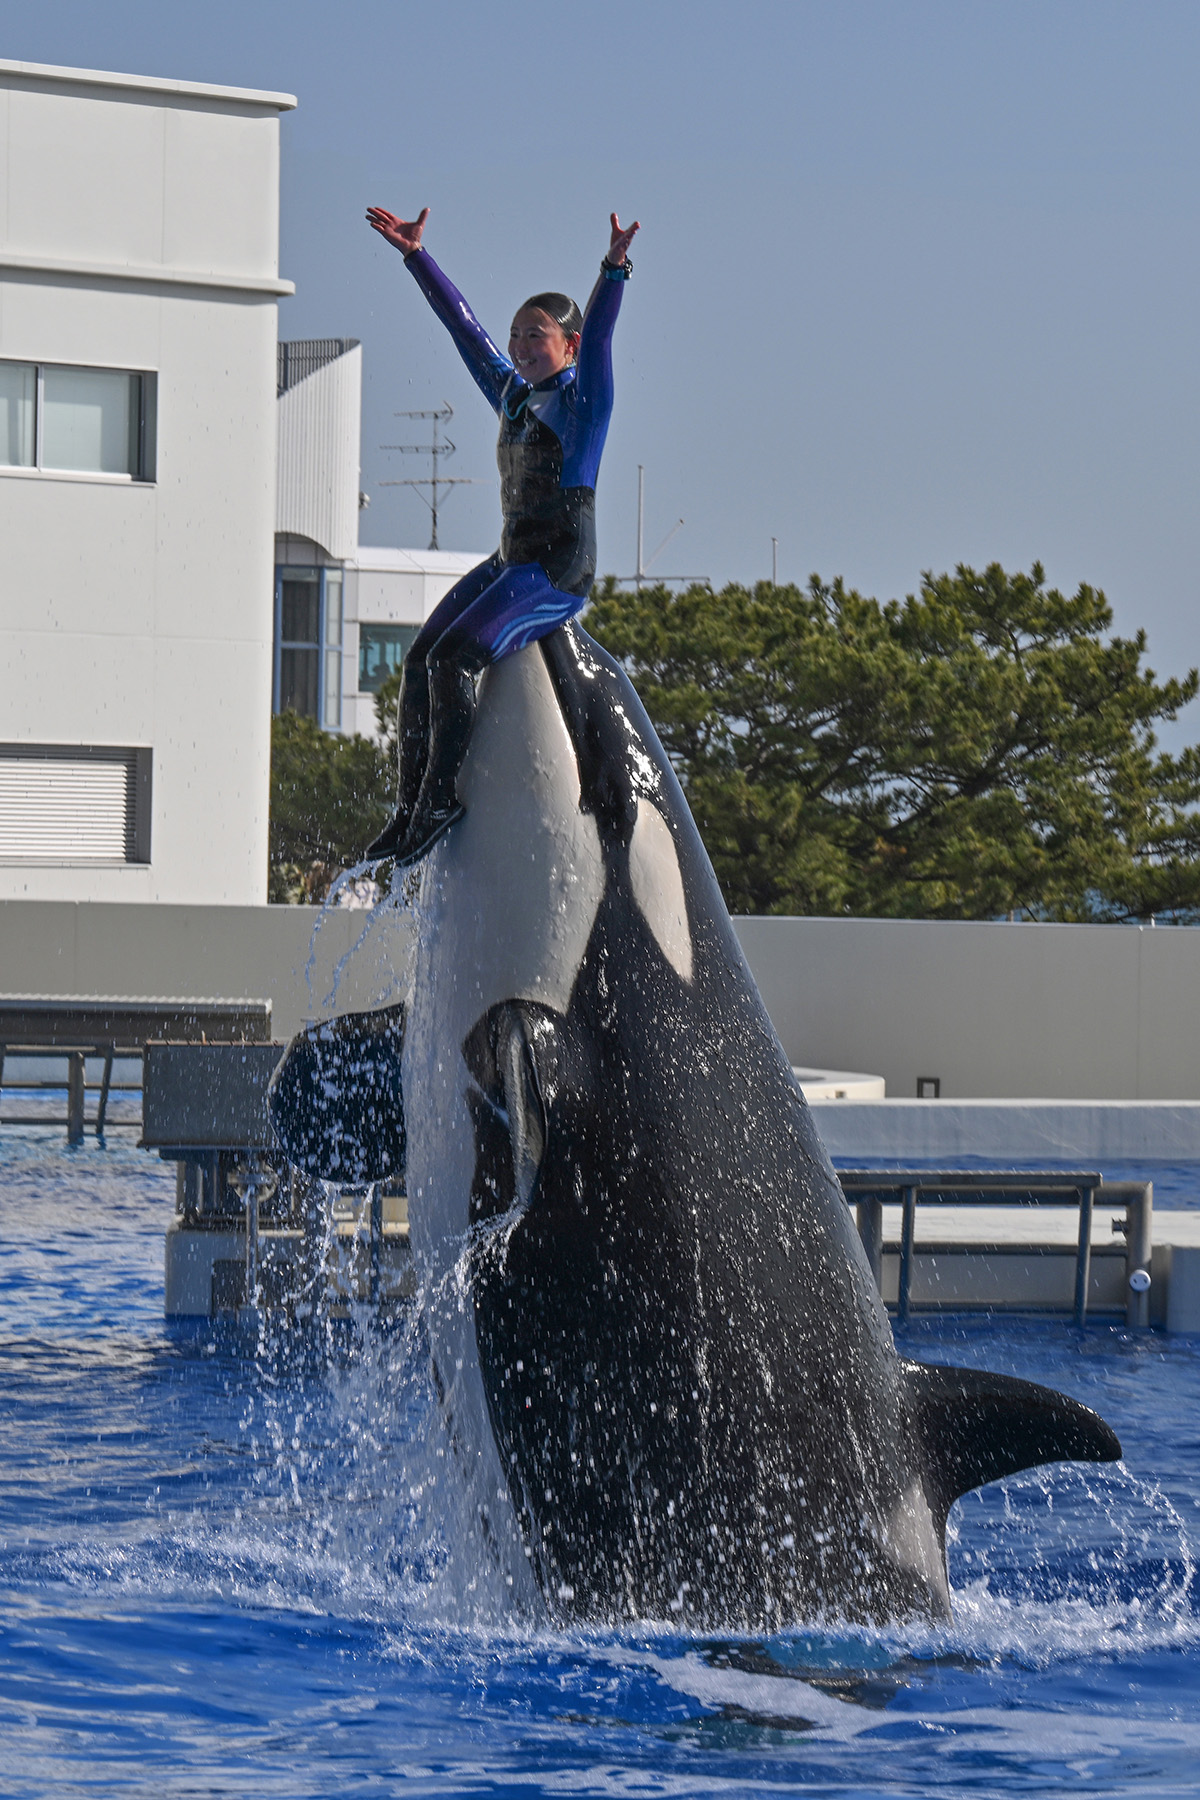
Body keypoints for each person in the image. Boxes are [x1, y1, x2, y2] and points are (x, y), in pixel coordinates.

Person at [363, 203, 639, 864]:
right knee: (422, 659)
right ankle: (410, 806)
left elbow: (602, 335)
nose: (518, 345)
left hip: (557, 570)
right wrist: (417, 257)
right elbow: (465, 330)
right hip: (512, 561)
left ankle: (441, 799)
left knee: (456, 659)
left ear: (568, 346)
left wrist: (613, 270)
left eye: (535, 335)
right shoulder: (513, 395)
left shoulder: (584, 403)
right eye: (516, 334)